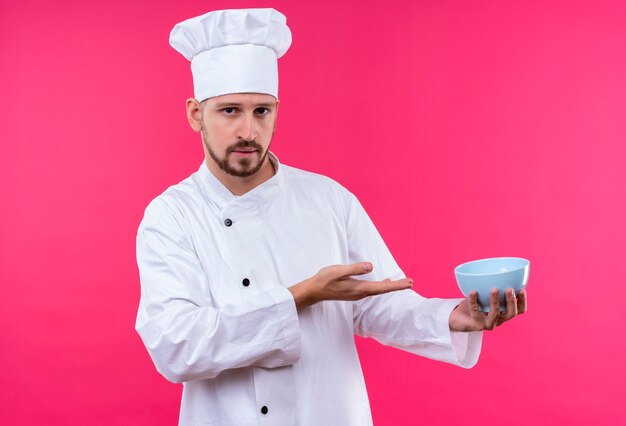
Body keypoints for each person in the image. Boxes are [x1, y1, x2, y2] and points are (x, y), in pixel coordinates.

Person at [135, 8, 527, 426]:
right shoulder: (172, 216)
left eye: (262, 111)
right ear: (197, 114)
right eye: (230, 111)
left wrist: (455, 317)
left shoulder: (328, 199)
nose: (248, 131)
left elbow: (380, 303)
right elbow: (176, 346)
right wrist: (304, 294)